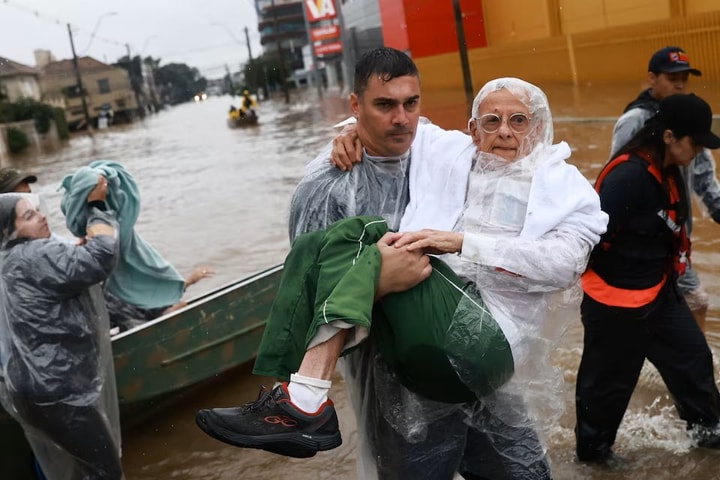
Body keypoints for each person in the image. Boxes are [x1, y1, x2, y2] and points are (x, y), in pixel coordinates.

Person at [198, 48, 605, 479]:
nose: (402, 119)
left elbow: (566, 259)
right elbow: (312, 286)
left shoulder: (540, 178)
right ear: (356, 106)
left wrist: (460, 244)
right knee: (348, 241)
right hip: (402, 376)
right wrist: (378, 283)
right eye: (384, 105)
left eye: (411, 104)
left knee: (523, 472)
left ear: (537, 126)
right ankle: (300, 395)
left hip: (480, 358)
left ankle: (302, 397)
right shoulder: (333, 184)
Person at [575, 93, 720, 463]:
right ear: (669, 136)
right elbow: (587, 239)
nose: (702, 151)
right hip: (616, 303)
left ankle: (709, 437)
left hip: (658, 292)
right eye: (697, 143)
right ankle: (593, 459)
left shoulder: (670, 169)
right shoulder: (628, 176)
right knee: (607, 388)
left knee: (694, 361)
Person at [0, 177, 125, 479]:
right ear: (9, 231)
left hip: (30, 389)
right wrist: (96, 207)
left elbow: (58, 270)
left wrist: (70, 253)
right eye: (28, 216)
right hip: (58, 391)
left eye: (36, 210)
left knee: (80, 468)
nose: (42, 216)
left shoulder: (9, 259)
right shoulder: (35, 255)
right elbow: (103, 256)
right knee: (104, 472)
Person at [610, 46, 720, 333]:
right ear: (652, 78)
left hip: (676, 237)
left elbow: (704, 175)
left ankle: (687, 360)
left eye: (685, 78)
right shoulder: (635, 121)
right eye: (673, 78)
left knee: (687, 302)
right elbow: (617, 178)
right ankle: (696, 362)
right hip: (645, 240)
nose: (680, 84)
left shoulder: (689, 118)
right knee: (690, 300)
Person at [60, 160, 213, 332]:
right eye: (100, 183)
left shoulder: (109, 232)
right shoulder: (101, 236)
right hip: (125, 312)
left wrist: (190, 281)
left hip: (123, 309)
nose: (106, 183)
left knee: (176, 306)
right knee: (176, 309)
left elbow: (149, 288)